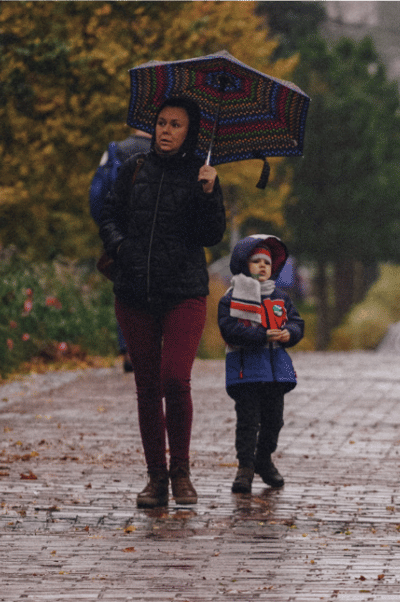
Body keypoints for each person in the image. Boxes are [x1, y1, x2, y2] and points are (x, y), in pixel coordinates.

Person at [98, 97, 226, 508]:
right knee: (147, 387)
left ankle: (181, 471)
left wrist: (208, 192)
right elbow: (108, 216)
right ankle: (155, 478)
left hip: (183, 293)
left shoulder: (201, 175)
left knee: (175, 379)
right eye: (161, 123)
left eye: (176, 125)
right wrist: (121, 249)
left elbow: (211, 235)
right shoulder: (134, 168)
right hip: (134, 293)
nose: (166, 130)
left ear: (191, 133)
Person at [218, 235, 304, 494]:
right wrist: (261, 335)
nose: (262, 266)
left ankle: (263, 459)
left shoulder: (280, 297)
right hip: (246, 373)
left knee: (273, 422)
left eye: (267, 262)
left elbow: (296, 322)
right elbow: (229, 329)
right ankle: (245, 467)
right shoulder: (232, 298)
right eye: (256, 261)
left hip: (275, 372)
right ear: (244, 265)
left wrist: (290, 333)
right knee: (248, 422)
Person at [89, 129, 152, 373]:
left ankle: (128, 350)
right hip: (152, 230)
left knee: (124, 288)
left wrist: (106, 227)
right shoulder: (165, 152)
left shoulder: (116, 149)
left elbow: (97, 193)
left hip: (121, 230)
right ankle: (150, 347)